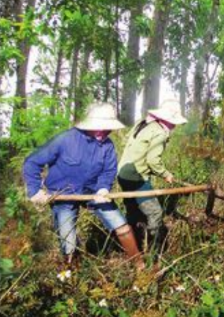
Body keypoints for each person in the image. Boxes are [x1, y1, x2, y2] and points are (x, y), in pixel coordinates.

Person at [23, 103, 144, 269]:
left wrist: (103, 188)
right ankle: (72, 273)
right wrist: (35, 191)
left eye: (107, 128)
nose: (103, 131)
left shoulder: (108, 146)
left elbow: (108, 171)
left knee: (121, 226)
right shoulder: (65, 139)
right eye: (99, 127)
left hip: (94, 193)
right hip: (63, 194)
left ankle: (140, 266)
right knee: (68, 241)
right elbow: (32, 162)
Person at [117, 100, 187, 252]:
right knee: (155, 212)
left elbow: (128, 144)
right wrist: (166, 174)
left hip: (122, 173)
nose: (174, 126)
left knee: (133, 211)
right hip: (136, 176)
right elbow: (153, 160)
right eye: (173, 122)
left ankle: (131, 247)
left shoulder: (142, 123)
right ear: (166, 119)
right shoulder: (160, 132)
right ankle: (154, 252)